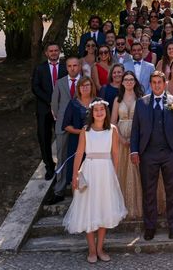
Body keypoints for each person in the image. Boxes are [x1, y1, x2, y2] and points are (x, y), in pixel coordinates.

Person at [63, 98, 127, 263]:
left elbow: (115, 154)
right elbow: (79, 153)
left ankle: (100, 248)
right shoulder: (86, 130)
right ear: (92, 113)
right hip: (90, 171)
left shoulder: (112, 130)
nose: (99, 112)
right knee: (89, 209)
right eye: (96, 110)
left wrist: (115, 174)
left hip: (106, 172)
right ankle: (91, 250)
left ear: (106, 112)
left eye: (102, 109)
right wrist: (75, 175)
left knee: (104, 209)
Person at [130, 72, 173, 241]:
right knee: (149, 192)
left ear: (165, 84)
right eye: (154, 82)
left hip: (171, 152)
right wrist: (134, 150)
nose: (157, 85)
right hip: (148, 153)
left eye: (159, 82)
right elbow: (136, 129)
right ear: (150, 84)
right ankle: (150, 227)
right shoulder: (141, 103)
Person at [110, 71, 145, 219]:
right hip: (120, 137)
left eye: (131, 79)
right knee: (121, 170)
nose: (129, 82)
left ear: (135, 82)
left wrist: (136, 139)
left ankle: (137, 205)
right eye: (126, 79)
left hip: (138, 136)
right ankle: (121, 206)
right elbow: (112, 121)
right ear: (122, 82)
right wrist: (122, 139)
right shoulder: (117, 100)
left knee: (137, 171)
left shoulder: (142, 99)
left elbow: (145, 120)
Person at [31, 42, 66, 180]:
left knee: (63, 137)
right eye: (51, 51)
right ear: (46, 53)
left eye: (56, 50)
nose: (53, 53)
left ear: (59, 52)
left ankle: (64, 165)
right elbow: (35, 87)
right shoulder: (40, 69)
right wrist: (51, 101)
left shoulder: (65, 67)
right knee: (44, 138)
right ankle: (49, 167)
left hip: (62, 109)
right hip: (44, 109)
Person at [49, 57, 81, 204]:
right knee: (61, 157)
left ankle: (82, 189)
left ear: (79, 66)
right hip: (63, 125)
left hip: (80, 125)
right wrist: (60, 119)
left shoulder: (86, 81)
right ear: (66, 67)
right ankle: (59, 190)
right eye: (70, 66)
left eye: (75, 65)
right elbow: (55, 104)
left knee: (82, 157)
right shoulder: (60, 82)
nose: (72, 68)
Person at [62, 76, 97, 195]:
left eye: (88, 85)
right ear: (78, 88)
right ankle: (76, 202)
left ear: (92, 87)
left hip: (96, 143)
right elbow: (66, 125)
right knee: (76, 172)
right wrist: (82, 132)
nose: (85, 88)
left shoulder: (98, 102)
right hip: (76, 142)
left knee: (94, 173)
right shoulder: (73, 104)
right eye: (82, 86)